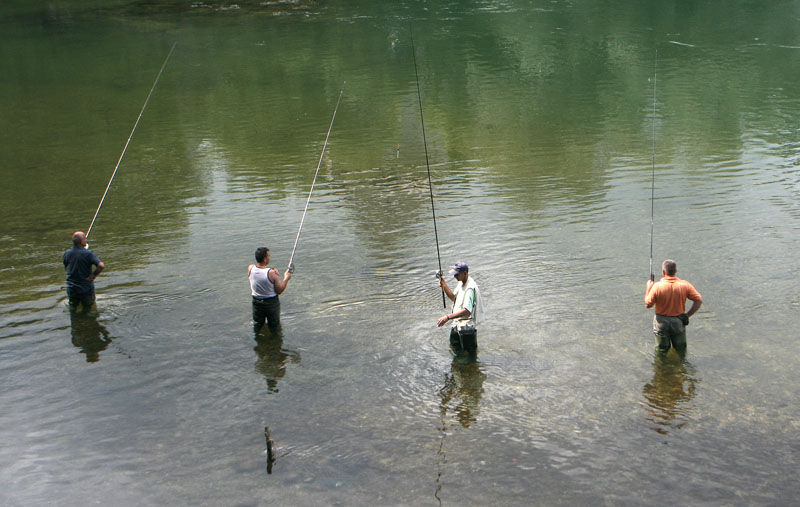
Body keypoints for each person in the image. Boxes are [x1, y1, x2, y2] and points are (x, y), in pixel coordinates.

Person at [644, 259, 702, 355]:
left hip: (661, 322)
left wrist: (648, 287)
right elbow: (698, 301)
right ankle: (681, 368)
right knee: (681, 350)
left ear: (663, 272)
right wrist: (687, 315)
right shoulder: (685, 285)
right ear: (676, 271)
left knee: (661, 352)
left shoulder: (657, 286)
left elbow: (648, 304)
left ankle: (661, 369)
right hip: (678, 321)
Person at [437, 262, 482, 356]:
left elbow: (467, 310)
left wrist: (448, 317)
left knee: (468, 358)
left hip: (466, 330)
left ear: (465, 273)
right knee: (455, 352)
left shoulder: (469, 288)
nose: (455, 276)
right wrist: (444, 285)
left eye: (457, 274)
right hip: (457, 325)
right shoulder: (460, 283)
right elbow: (454, 297)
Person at [248, 247, 291, 333]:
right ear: (264, 259)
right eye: (268, 256)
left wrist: (272, 271)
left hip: (256, 302)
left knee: (258, 324)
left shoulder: (250, 268)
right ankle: (275, 342)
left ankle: (258, 341)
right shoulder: (271, 273)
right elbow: (280, 290)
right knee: (274, 326)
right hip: (271, 304)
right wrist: (286, 278)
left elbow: (260, 272)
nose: (269, 257)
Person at [63, 231, 104, 313]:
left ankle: (77, 323)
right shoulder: (88, 254)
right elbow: (101, 265)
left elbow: (66, 268)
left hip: (71, 289)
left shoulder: (66, 254)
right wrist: (93, 275)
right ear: (82, 241)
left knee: (73, 309)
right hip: (85, 289)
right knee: (89, 309)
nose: (86, 240)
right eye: (85, 239)